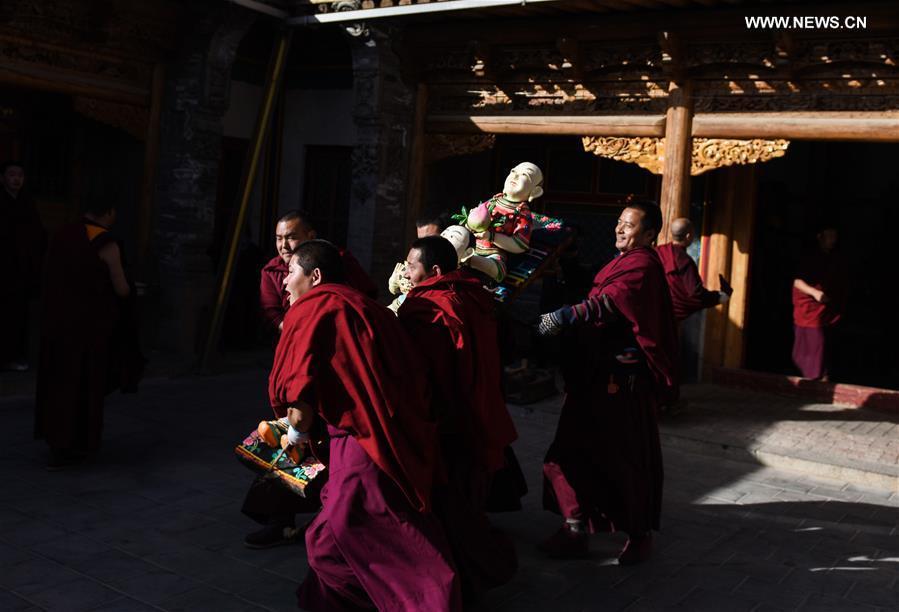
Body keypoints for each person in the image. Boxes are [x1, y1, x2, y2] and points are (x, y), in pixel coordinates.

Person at [271, 240, 460, 611]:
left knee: (360, 532)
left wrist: (294, 436)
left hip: (360, 441)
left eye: (291, 272)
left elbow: (300, 389)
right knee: (335, 535)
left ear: (316, 276)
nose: (284, 283)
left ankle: (432, 600)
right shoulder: (366, 306)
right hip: (387, 431)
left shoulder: (314, 310)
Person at [535, 200, 678, 564]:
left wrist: (566, 316)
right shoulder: (620, 262)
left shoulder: (643, 265)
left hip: (620, 384)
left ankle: (639, 534)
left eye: (628, 225)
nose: (619, 229)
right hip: (593, 374)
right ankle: (575, 528)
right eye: (618, 222)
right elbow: (596, 291)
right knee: (567, 453)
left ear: (648, 235)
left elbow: (611, 303)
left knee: (622, 459)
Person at [397, 236, 518, 602]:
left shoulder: (428, 307)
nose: (405, 272)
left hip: (449, 422)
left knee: (447, 509)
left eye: (411, 266)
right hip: (480, 413)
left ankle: (460, 581)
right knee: (468, 501)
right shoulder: (475, 296)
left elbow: (421, 372)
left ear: (433, 272)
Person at [34, 199, 131, 469]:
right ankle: (80, 444)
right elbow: (121, 288)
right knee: (84, 385)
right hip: (90, 329)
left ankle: (57, 443)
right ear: (109, 211)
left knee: (59, 384)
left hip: (58, 325)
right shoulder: (105, 242)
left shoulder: (63, 235)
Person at [259, 210, 376, 336]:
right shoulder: (271, 271)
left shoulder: (335, 260)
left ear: (311, 236)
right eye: (279, 239)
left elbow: (364, 296)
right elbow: (271, 314)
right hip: (291, 334)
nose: (284, 245)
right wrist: (299, 333)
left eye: (291, 237)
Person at [0, 161, 46, 371]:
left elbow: (37, 233)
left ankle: (16, 355)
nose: (16, 179)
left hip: (22, 268)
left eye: (20, 175)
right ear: (3, 178)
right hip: (4, 266)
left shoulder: (27, 203)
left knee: (19, 314)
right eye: (12, 175)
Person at [463, 162, 541, 282]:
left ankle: (471, 261)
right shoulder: (492, 201)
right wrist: (471, 220)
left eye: (524, 175)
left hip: (494, 254)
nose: (515, 176)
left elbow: (520, 245)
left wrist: (492, 236)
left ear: (535, 192)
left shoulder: (522, 213)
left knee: (495, 267)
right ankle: (466, 258)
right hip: (472, 246)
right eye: (513, 172)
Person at [791, 225, 847, 381]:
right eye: (829, 236)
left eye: (835, 236)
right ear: (819, 237)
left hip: (823, 304)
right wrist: (815, 293)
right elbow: (796, 281)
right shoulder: (809, 257)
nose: (832, 240)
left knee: (823, 341)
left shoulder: (832, 257)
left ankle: (822, 374)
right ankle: (810, 375)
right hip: (808, 303)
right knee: (814, 338)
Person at [656, 217, 730, 321]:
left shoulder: (658, 251)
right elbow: (696, 295)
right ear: (688, 236)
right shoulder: (684, 261)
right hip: (668, 318)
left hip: (652, 310)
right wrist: (721, 296)